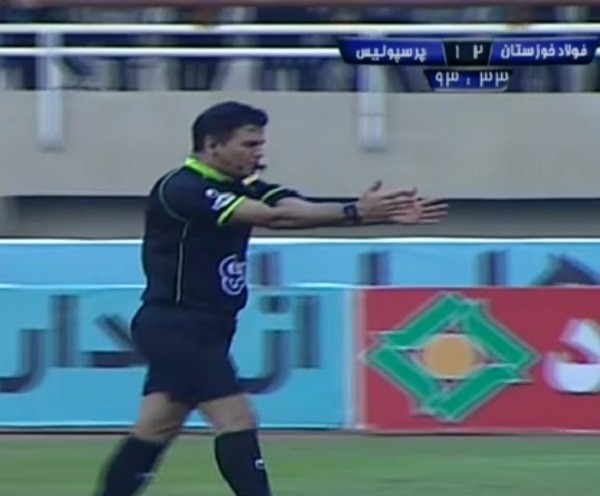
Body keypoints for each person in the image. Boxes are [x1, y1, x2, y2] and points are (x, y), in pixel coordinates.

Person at [92, 100, 448, 496]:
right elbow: (274, 217)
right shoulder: (183, 187)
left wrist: (369, 213)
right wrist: (355, 212)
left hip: (206, 326)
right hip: (178, 324)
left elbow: (294, 208)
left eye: (260, 144)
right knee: (236, 419)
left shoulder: (242, 185)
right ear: (212, 145)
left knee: (158, 425)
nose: (258, 153)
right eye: (249, 144)